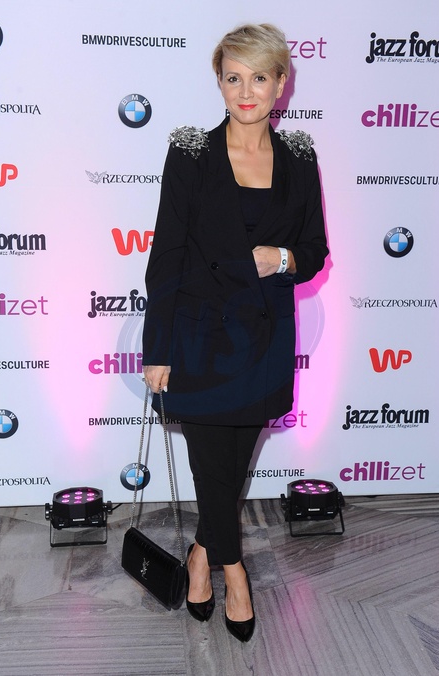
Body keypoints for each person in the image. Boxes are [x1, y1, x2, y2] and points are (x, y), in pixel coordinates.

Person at [142, 23, 328, 642]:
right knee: (209, 465)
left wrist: (282, 258)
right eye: (233, 78)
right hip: (197, 340)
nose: (246, 92)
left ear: (281, 83)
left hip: (264, 341)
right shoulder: (190, 153)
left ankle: (201, 553)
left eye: (259, 78)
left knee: (232, 467)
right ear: (218, 83)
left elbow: (315, 249)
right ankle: (234, 571)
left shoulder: (300, 157)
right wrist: (157, 349)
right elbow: (167, 256)